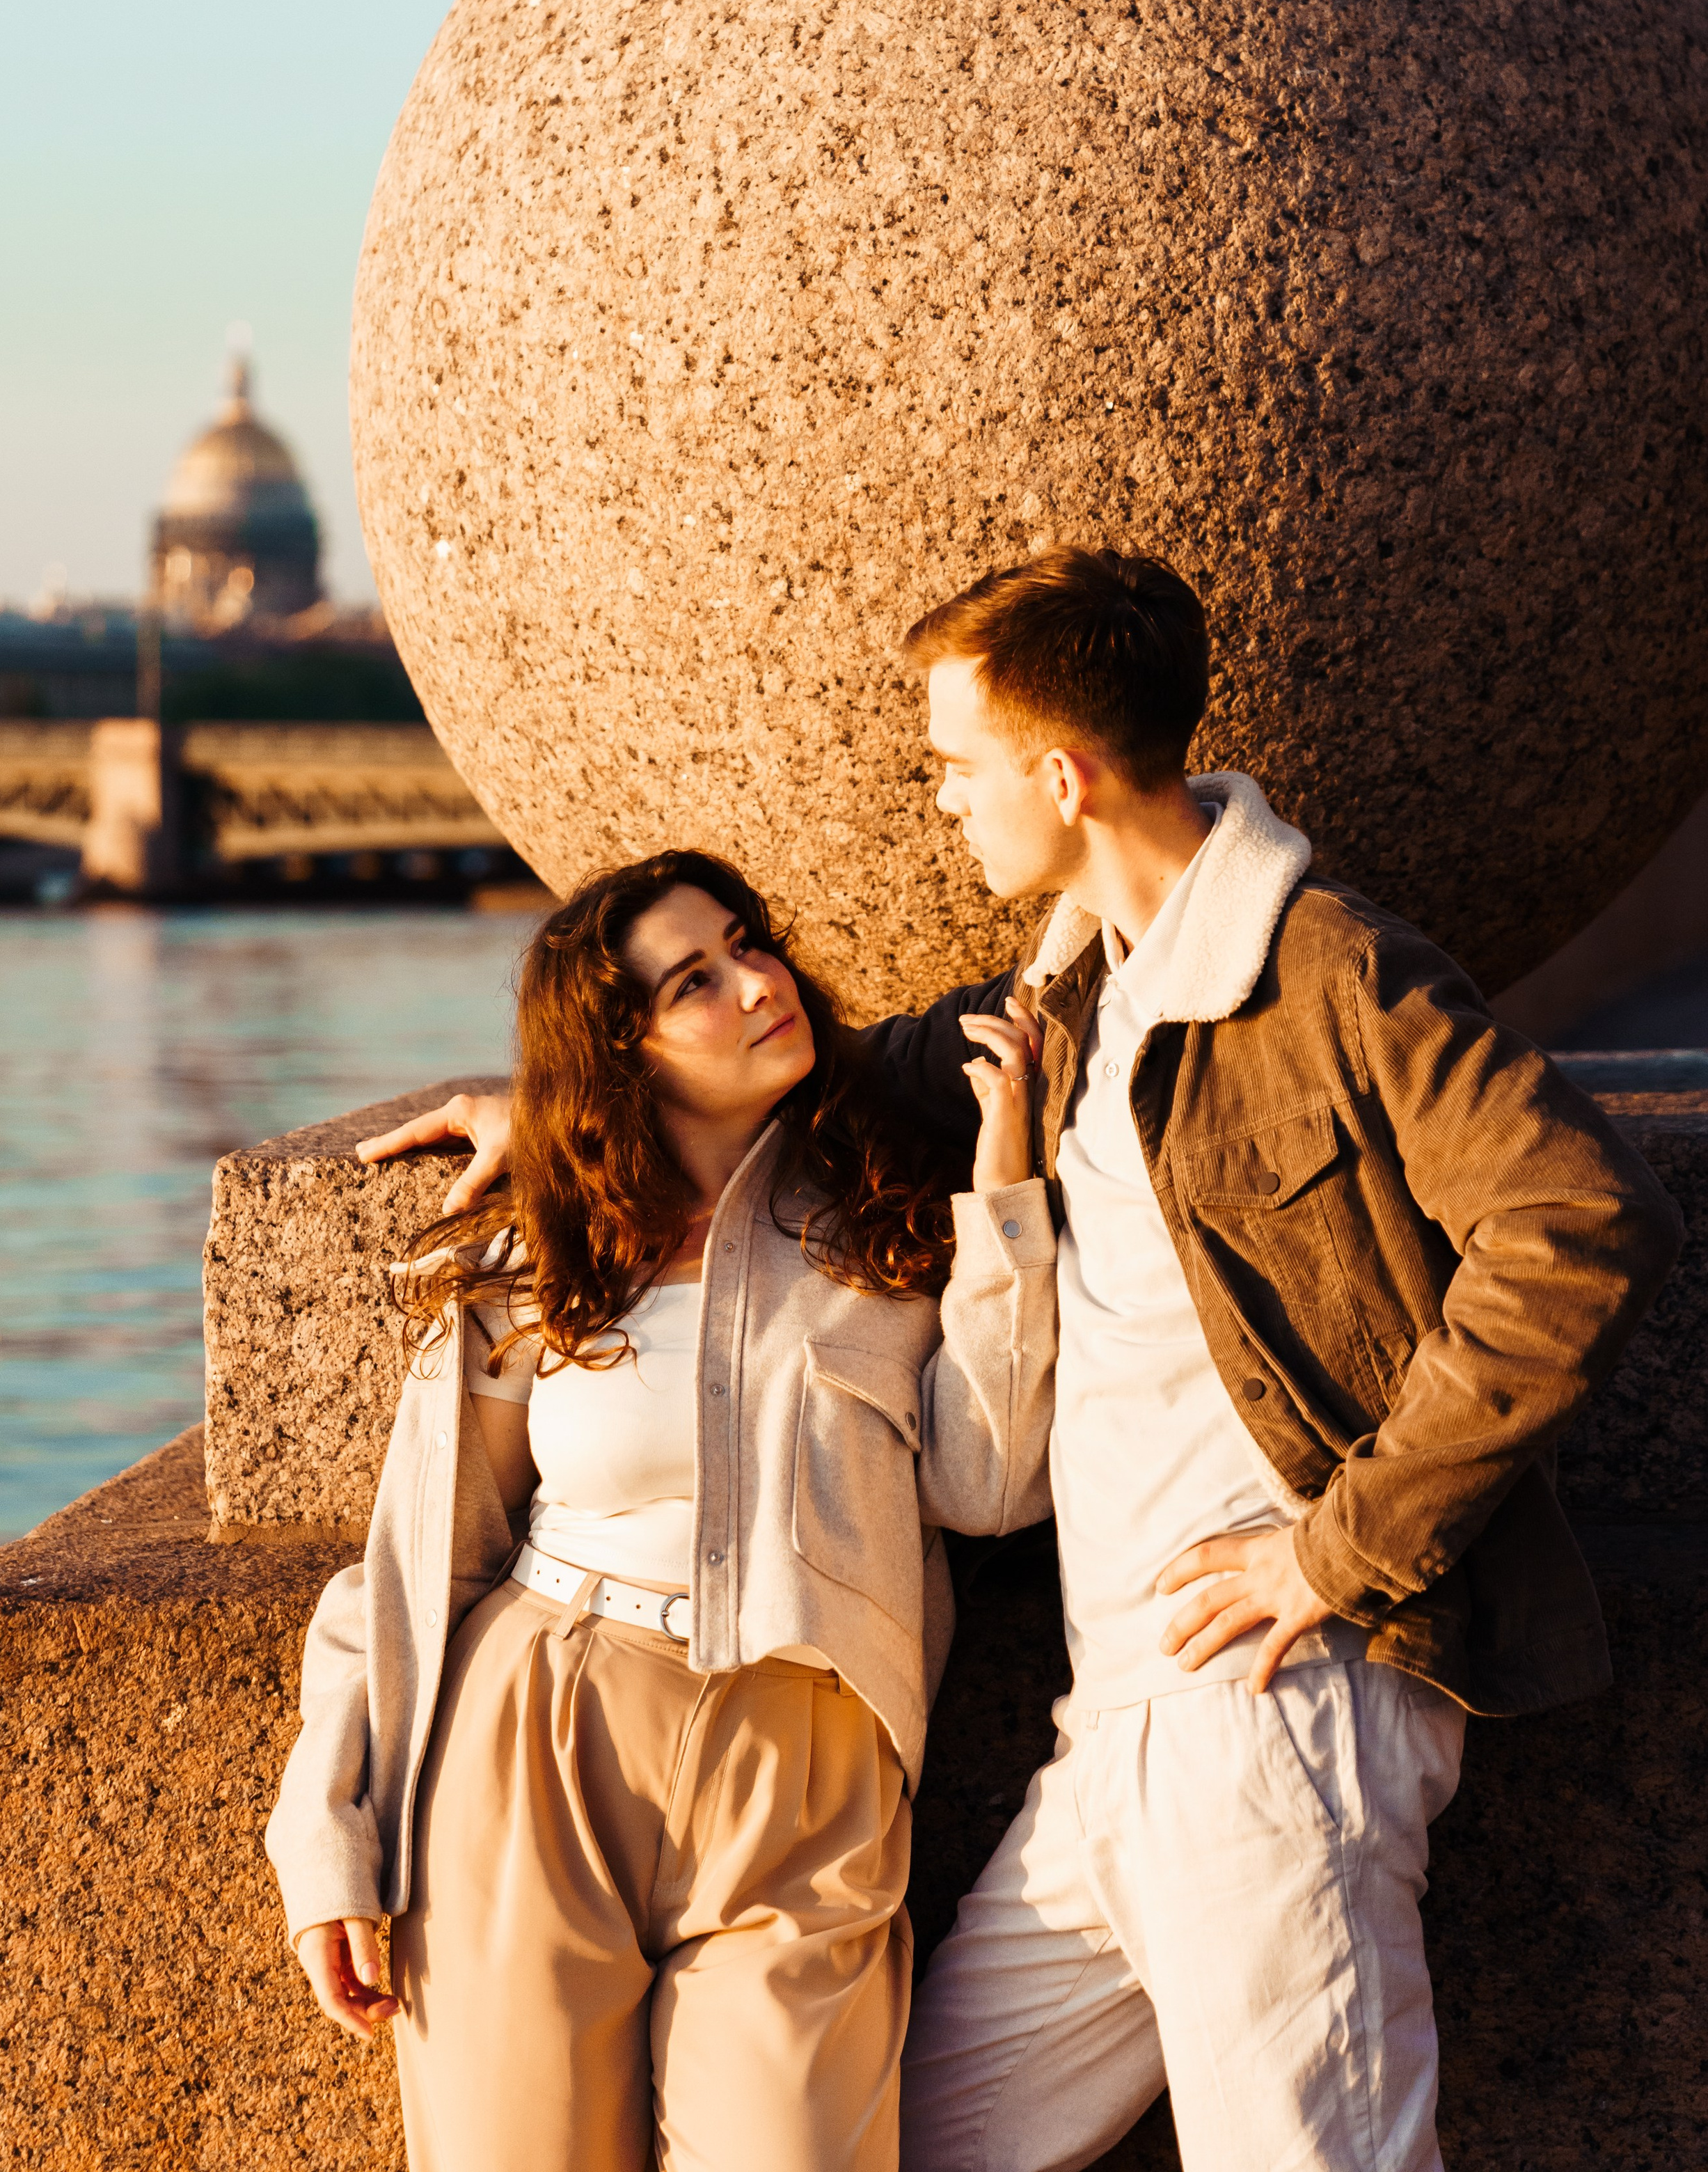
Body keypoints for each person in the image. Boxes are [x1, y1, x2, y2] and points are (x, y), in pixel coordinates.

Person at [390, 547, 1682, 2172]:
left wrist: (1338, 1550)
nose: (941, 800)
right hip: (1112, 1740)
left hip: (1274, 1713)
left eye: (954, 763)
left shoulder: (1329, 969)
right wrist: (568, 1106)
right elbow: (805, 1073)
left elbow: (1578, 1220)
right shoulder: (1070, 988)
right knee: (908, 2142)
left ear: (1059, 776)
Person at [266, 848, 1057, 2172]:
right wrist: (326, 1835)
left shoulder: (890, 1221)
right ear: (624, 1051)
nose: (759, 982)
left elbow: (990, 1484)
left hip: (803, 1771)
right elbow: (415, 1561)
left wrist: (1008, 1199)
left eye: (751, 943)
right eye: (697, 979)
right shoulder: (542, 1251)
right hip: (533, 1743)